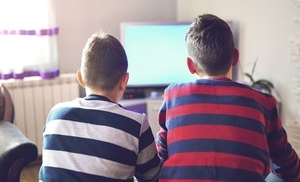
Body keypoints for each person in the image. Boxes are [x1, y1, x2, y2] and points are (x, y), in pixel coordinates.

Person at [156, 14, 300, 182]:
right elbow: (286, 163)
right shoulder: (263, 102)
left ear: (190, 65)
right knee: (273, 178)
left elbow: (161, 155)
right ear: (235, 57)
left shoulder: (173, 95)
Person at [39, 31, 161, 182]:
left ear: (80, 78)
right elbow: (152, 177)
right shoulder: (136, 125)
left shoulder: (55, 114)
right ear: (124, 81)